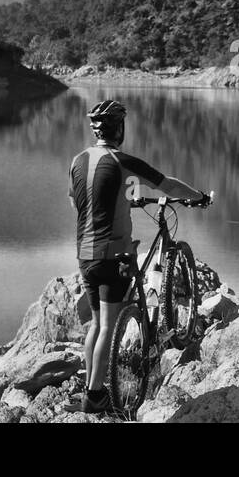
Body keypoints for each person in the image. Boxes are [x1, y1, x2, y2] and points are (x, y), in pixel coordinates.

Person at [69, 99, 210, 414]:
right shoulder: (123, 161)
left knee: (96, 323)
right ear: (119, 128)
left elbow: (79, 202)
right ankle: (95, 396)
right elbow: (168, 185)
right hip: (113, 254)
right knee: (107, 325)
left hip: (85, 255)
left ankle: (90, 389)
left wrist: (119, 203)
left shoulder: (78, 160)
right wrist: (199, 197)